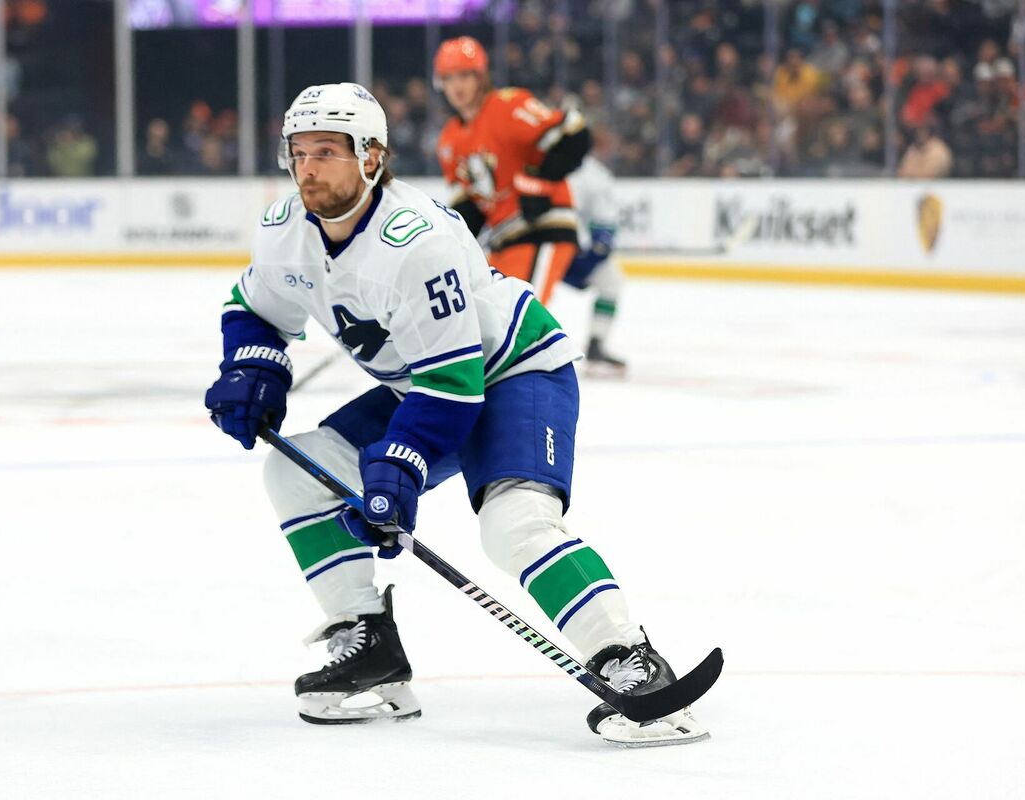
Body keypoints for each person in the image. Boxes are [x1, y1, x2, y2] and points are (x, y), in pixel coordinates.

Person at [203, 82, 710, 746]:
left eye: (327, 151)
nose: (308, 168)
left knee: (512, 525)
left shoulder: (418, 241)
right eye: (298, 152)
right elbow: (255, 307)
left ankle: (629, 658)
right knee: (294, 474)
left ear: (372, 156)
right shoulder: (284, 232)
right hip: (425, 384)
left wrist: (400, 471)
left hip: (511, 371)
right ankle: (369, 646)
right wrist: (252, 368)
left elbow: (453, 383)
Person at [433, 37, 590, 308]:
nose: (456, 86)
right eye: (449, 78)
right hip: (504, 239)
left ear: (481, 77)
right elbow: (468, 206)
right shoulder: (448, 140)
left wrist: (540, 182)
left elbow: (575, 133)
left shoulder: (508, 106)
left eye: (464, 76)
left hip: (544, 228)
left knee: (517, 319)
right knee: (485, 316)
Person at [563, 143, 628, 375]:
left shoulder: (594, 176)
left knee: (611, 282)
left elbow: (603, 226)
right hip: (551, 246)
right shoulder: (594, 175)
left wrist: (596, 251)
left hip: (566, 250)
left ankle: (596, 344)